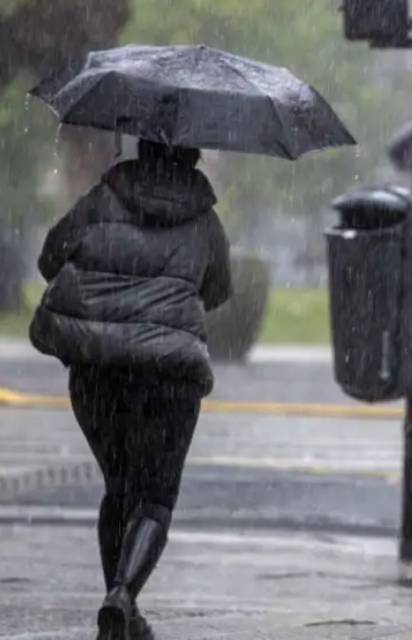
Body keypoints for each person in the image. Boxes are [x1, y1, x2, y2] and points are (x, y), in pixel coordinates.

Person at [30, 139, 232, 640]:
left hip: (98, 369)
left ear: (140, 147)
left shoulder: (101, 200)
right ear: (193, 156)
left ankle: (120, 611)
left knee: (119, 487)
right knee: (155, 496)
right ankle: (122, 595)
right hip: (169, 376)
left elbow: (49, 258)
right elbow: (218, 290)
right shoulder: (205, 223)